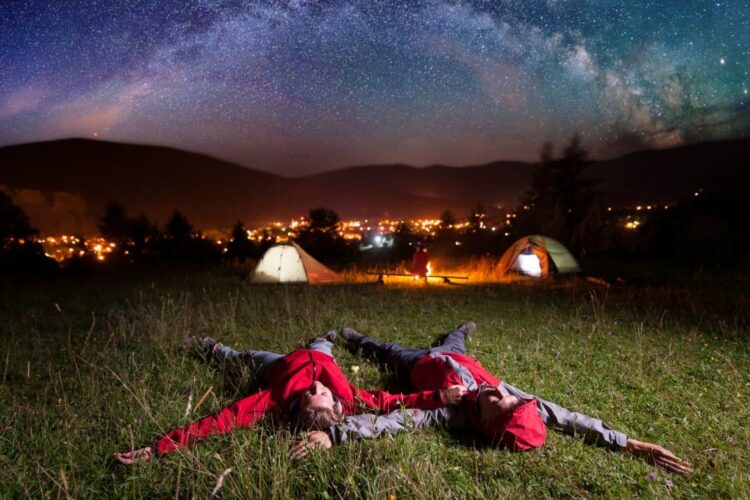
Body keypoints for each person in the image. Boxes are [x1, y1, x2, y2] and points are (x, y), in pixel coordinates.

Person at [293, 324, 692, 474]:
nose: (501, 391)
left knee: (389, 350)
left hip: (420, 365)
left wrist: (337, 435)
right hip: (459, 355)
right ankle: (460, 330)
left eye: (499, 401)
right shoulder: (509, 398)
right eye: (507, 395)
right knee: (456, 339)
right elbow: (567, 417)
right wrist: (626, 442)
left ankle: (356, 338)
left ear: (485, 423)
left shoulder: (453, 414)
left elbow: (398, 421)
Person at [114, 332, 467, 464]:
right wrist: (438, 395)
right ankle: (215, 347)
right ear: (336, 407)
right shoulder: (350, 398)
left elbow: (218, 422)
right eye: (321, 395)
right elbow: (392, 401)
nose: (316, 388)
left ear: (297, 406)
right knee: (316, 346)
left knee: (247, 357)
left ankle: (211, 346)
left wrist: (159, 447)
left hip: (279, 365)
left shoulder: (276, 397)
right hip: (311, 354)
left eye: (312, 395)